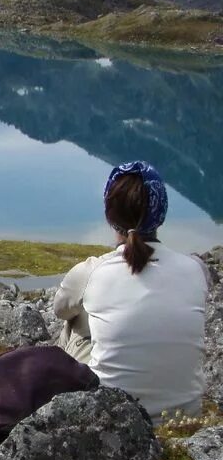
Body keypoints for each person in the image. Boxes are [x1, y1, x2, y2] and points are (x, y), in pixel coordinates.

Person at [54, 160, 209, 424]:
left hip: (114, 420)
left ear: (109, 214)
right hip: (185, 417)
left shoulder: (92, 271)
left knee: (76, 321)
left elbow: (60, 310)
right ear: (161, 212)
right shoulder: (196, 270)